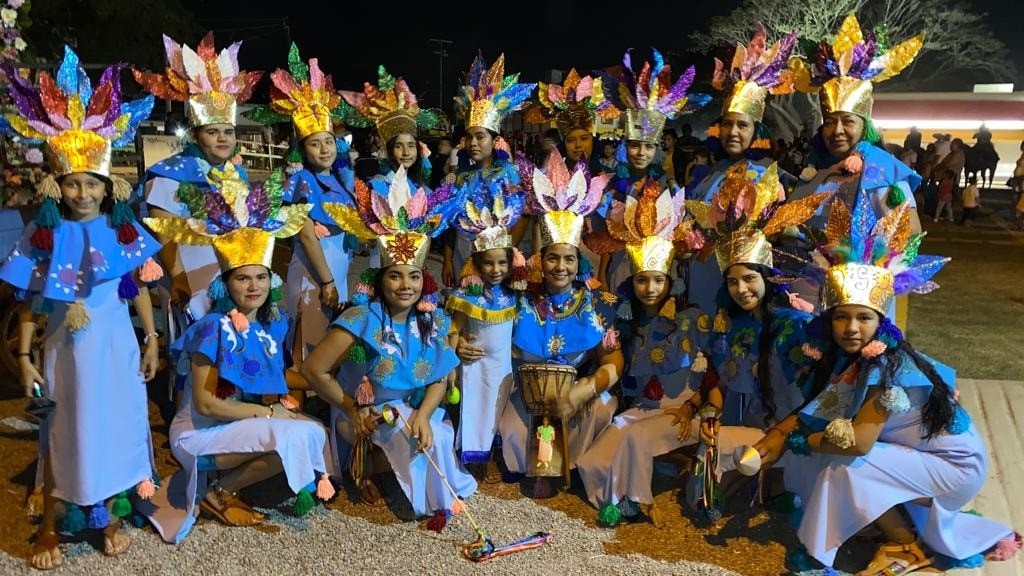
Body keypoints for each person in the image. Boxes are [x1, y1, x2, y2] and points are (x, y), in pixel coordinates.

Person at [756, 193, 1021, 573]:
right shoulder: (855, 357)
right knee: (830, 449)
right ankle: (878, 523)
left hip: (954, 470)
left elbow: (859, 443)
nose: (850, 328)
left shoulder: (887, 366)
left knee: (843, 462)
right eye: (841, 317)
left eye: (863, 318)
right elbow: (823, 404)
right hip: (932, 460)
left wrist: (796, 439)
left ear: (879, 322)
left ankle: (899, 544)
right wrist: (782, 431)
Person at [1, 47, 162, 569]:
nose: (82, 191)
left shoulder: (120, 227)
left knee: (115, 422)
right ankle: (51, 524)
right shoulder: (44, 233)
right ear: (56, 184)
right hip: (65, 348)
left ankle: (109, 513)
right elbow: (30, 301)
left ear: (106, 183)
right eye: (72, 182)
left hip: (116, 344)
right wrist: (24, 359)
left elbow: (135, 286)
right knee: (63, 426)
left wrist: (152, 338)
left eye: (91, 182)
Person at [142, 176, 333, 543]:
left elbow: (278, 377)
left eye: (261, 277)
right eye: (242, 278)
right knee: (287, 432)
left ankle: (222, 487)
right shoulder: (213, 327)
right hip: (198, 434)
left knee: (311, 431)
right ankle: (218, 492)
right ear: (224, 284)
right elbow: (205, 402)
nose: (254, 286)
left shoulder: (269, 327)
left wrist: (328, 382)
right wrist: (268, 413)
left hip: (234, 427)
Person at [304, 167, 476, 523]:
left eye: (414, 276)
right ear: (379, 280)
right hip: (365, 413)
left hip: (411, 406)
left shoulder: (433, 318)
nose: (405, 285)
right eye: (395, 276)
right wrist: (350, 406)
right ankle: (369, 470)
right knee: (403, 433)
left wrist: (426, 415)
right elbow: (313, 369)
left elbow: (440, 377)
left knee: (439, 436)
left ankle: (428, 490)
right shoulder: (360, 317)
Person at [683, 162, 828, 504]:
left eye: (750, 279)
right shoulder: (730, 323)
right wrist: (710, 413)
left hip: (791, 431)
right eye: (732, 281)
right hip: (744, 423)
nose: (741, 289)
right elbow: (720, 378)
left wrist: (785, 432)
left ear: (767, 278)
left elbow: (816, 391)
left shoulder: (796, 325)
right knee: (701, 497)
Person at [577, 180, 709, 527]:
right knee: (591, 464)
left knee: (634, 437)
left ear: (670, 283)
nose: (650, 289)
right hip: (640, 409)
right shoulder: (624, 317)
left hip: (680, 409)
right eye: (642, 281)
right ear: (632, 283)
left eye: (658, 281)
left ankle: (636, 501)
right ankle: (615, 500)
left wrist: (694, 407)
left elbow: (713, 375)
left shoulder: (692, 318)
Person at [498, 151, 623, 492]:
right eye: (553, 258)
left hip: (575, 394)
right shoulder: (521, 297)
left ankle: (570, 466)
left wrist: (586, 388)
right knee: (510, 433)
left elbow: (613, 360)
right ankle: (533, 464)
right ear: (542, 258)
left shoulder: (598, 303)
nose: (560, 267)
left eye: (568, 259)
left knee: (603, 405)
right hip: (527, 392)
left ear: (577, 260)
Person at [789, 14, 925, 313]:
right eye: (830, 123)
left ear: (864, 126)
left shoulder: (884, 171)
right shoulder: (816, 169)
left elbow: (909, 232)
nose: (837, 131)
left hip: (862, 297)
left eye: (847, 121)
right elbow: (790, 217)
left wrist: (870, 273)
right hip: (810, 288)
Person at [134, 32, 263, 322]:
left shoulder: (235, 174)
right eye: (212, 131)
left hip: (235, 276)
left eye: (228, 132)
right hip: (190, 279)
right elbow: (164, 231)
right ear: (195, 134)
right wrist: (179, 277)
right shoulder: (168, 174)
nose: (222, 139)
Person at [245, 44, 357, 368]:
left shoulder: (336, 180)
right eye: (314, 143)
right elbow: (306, 236)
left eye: (327, 141)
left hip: (335, 269)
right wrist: (327, 282)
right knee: (307, 346)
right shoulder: (301, 181)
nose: (323, 149)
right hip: (315, 273)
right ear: (301, 147)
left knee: (326, 345)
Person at [688, 25, 799, 316]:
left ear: (756, 130)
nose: (733, 132)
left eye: (742, 125)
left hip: (744, 288)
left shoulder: (770, 176)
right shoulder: (708, 174)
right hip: (702, 278)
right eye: (727, 124)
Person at [596, 47, 710, 291]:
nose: (641, 153)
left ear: (656, 148)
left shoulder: (667, 184)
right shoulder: (610, 185)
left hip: (657, 274)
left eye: (648, 147)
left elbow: (682, 228)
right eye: (635, 146)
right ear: (625, 146)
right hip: (620, 269)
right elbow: (603, 234)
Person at [445, 175, 528, 477]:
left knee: (498, 408)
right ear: (477, 264)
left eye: (502, 263)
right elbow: (452, 329)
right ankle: (472, 457)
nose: (496, 270)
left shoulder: (516, 294)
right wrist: (458, 347)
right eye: (489, 264)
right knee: (476, 409)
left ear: (511, 263)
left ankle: (496, 454)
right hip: (475, 364)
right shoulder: (467, 295)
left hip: (504, 365)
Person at [445, 53, 535, 286]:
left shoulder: (509, 174)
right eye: (469, 137)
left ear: (495, 140)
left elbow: (523, 216)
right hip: (463, 255)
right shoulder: (461, 177)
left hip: (497, 262)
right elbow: (449, 222)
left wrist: (505, 252)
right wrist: (447, 260)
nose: (473, 143)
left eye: (480, 137)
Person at [526, 68, 620, 172]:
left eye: (584, 138)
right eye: (570, 140)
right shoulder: (550, 179)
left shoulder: (608, 179)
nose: (578, 145)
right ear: (563, 145)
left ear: (593, 142)